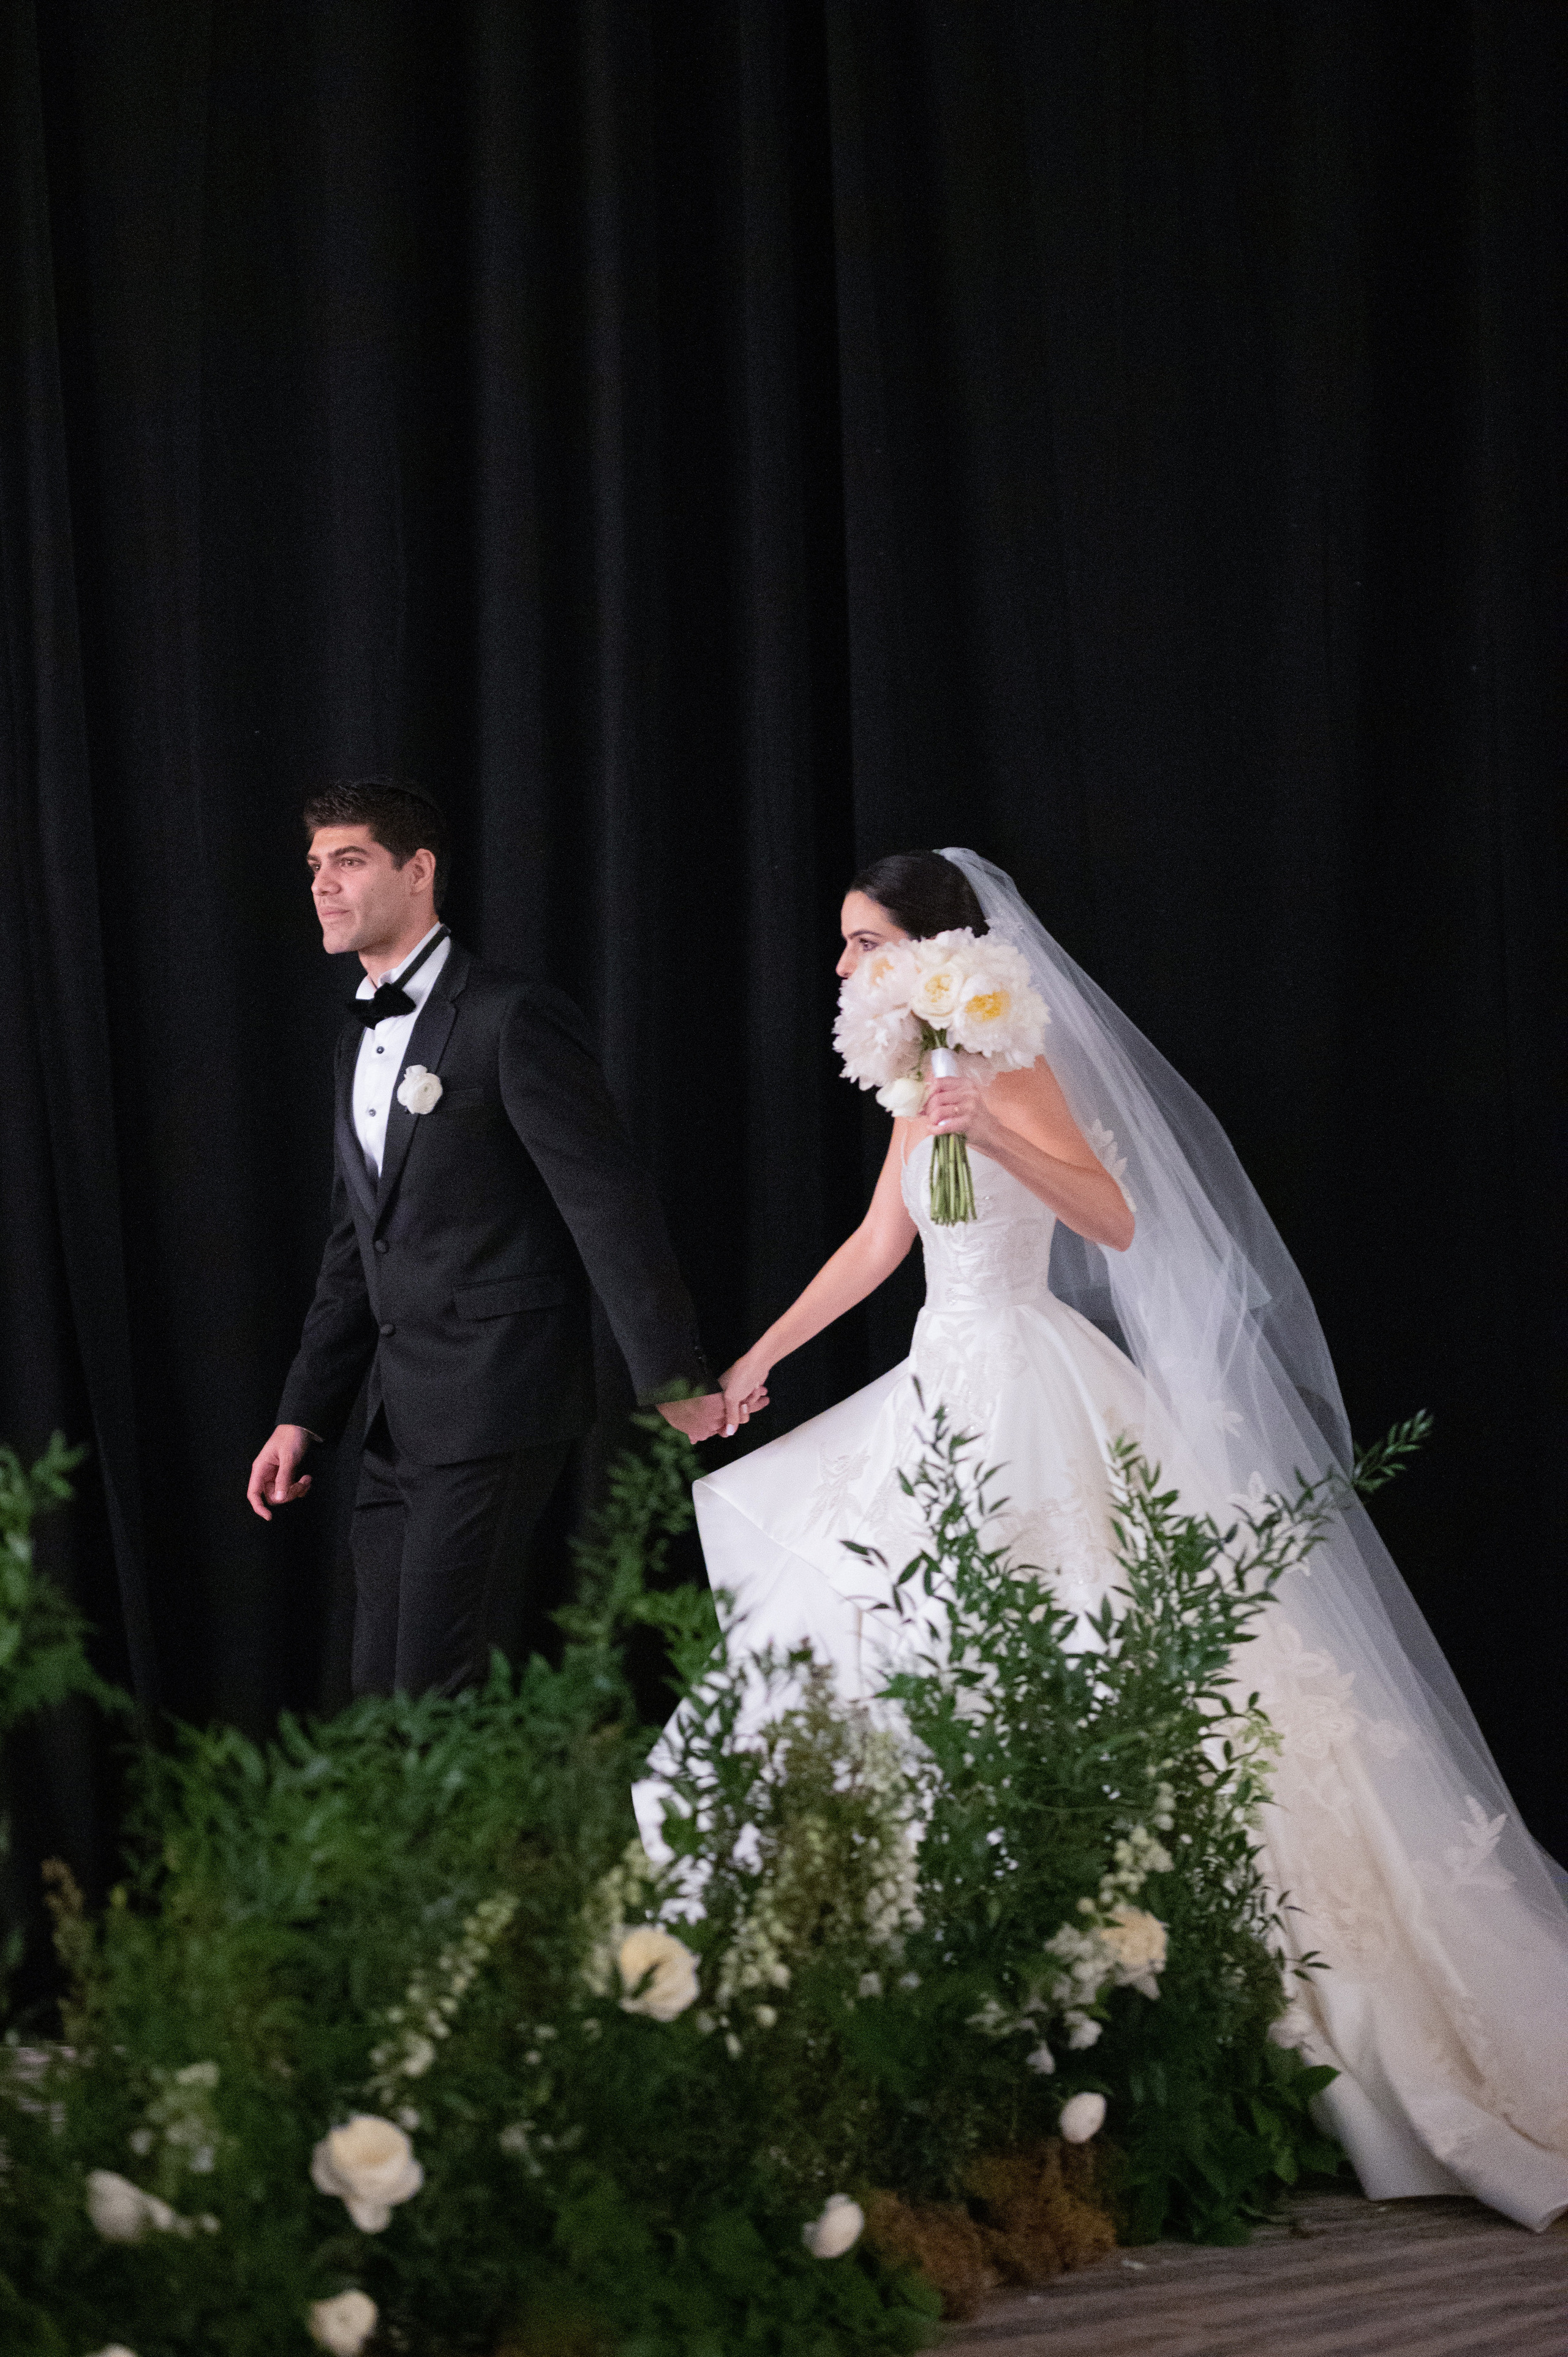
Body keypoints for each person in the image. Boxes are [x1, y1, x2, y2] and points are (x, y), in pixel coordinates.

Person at [640, 846, 1568, 2231]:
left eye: (860, 940)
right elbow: (875, 1247)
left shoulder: (1006, 1062)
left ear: (934, 950)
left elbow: (1115, 1219)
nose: (841, 965)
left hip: (1032, 1377)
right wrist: (750, 1367)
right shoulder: (915, 1075)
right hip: (936, 1385)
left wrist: (991, 1122)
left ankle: (1138, 2025)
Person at [247, 779, 726, 1697]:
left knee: (432, 1689)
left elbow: (609, 1206)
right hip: (394, 1419)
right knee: (379, 1695)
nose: (322, 885)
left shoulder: (510, 1016)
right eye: (315, 866)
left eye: (349, 861)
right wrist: (303, 1412)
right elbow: (357, 1246)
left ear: (418, 871)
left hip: (495, 1396)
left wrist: (671, 1376)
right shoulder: (355, 1042)